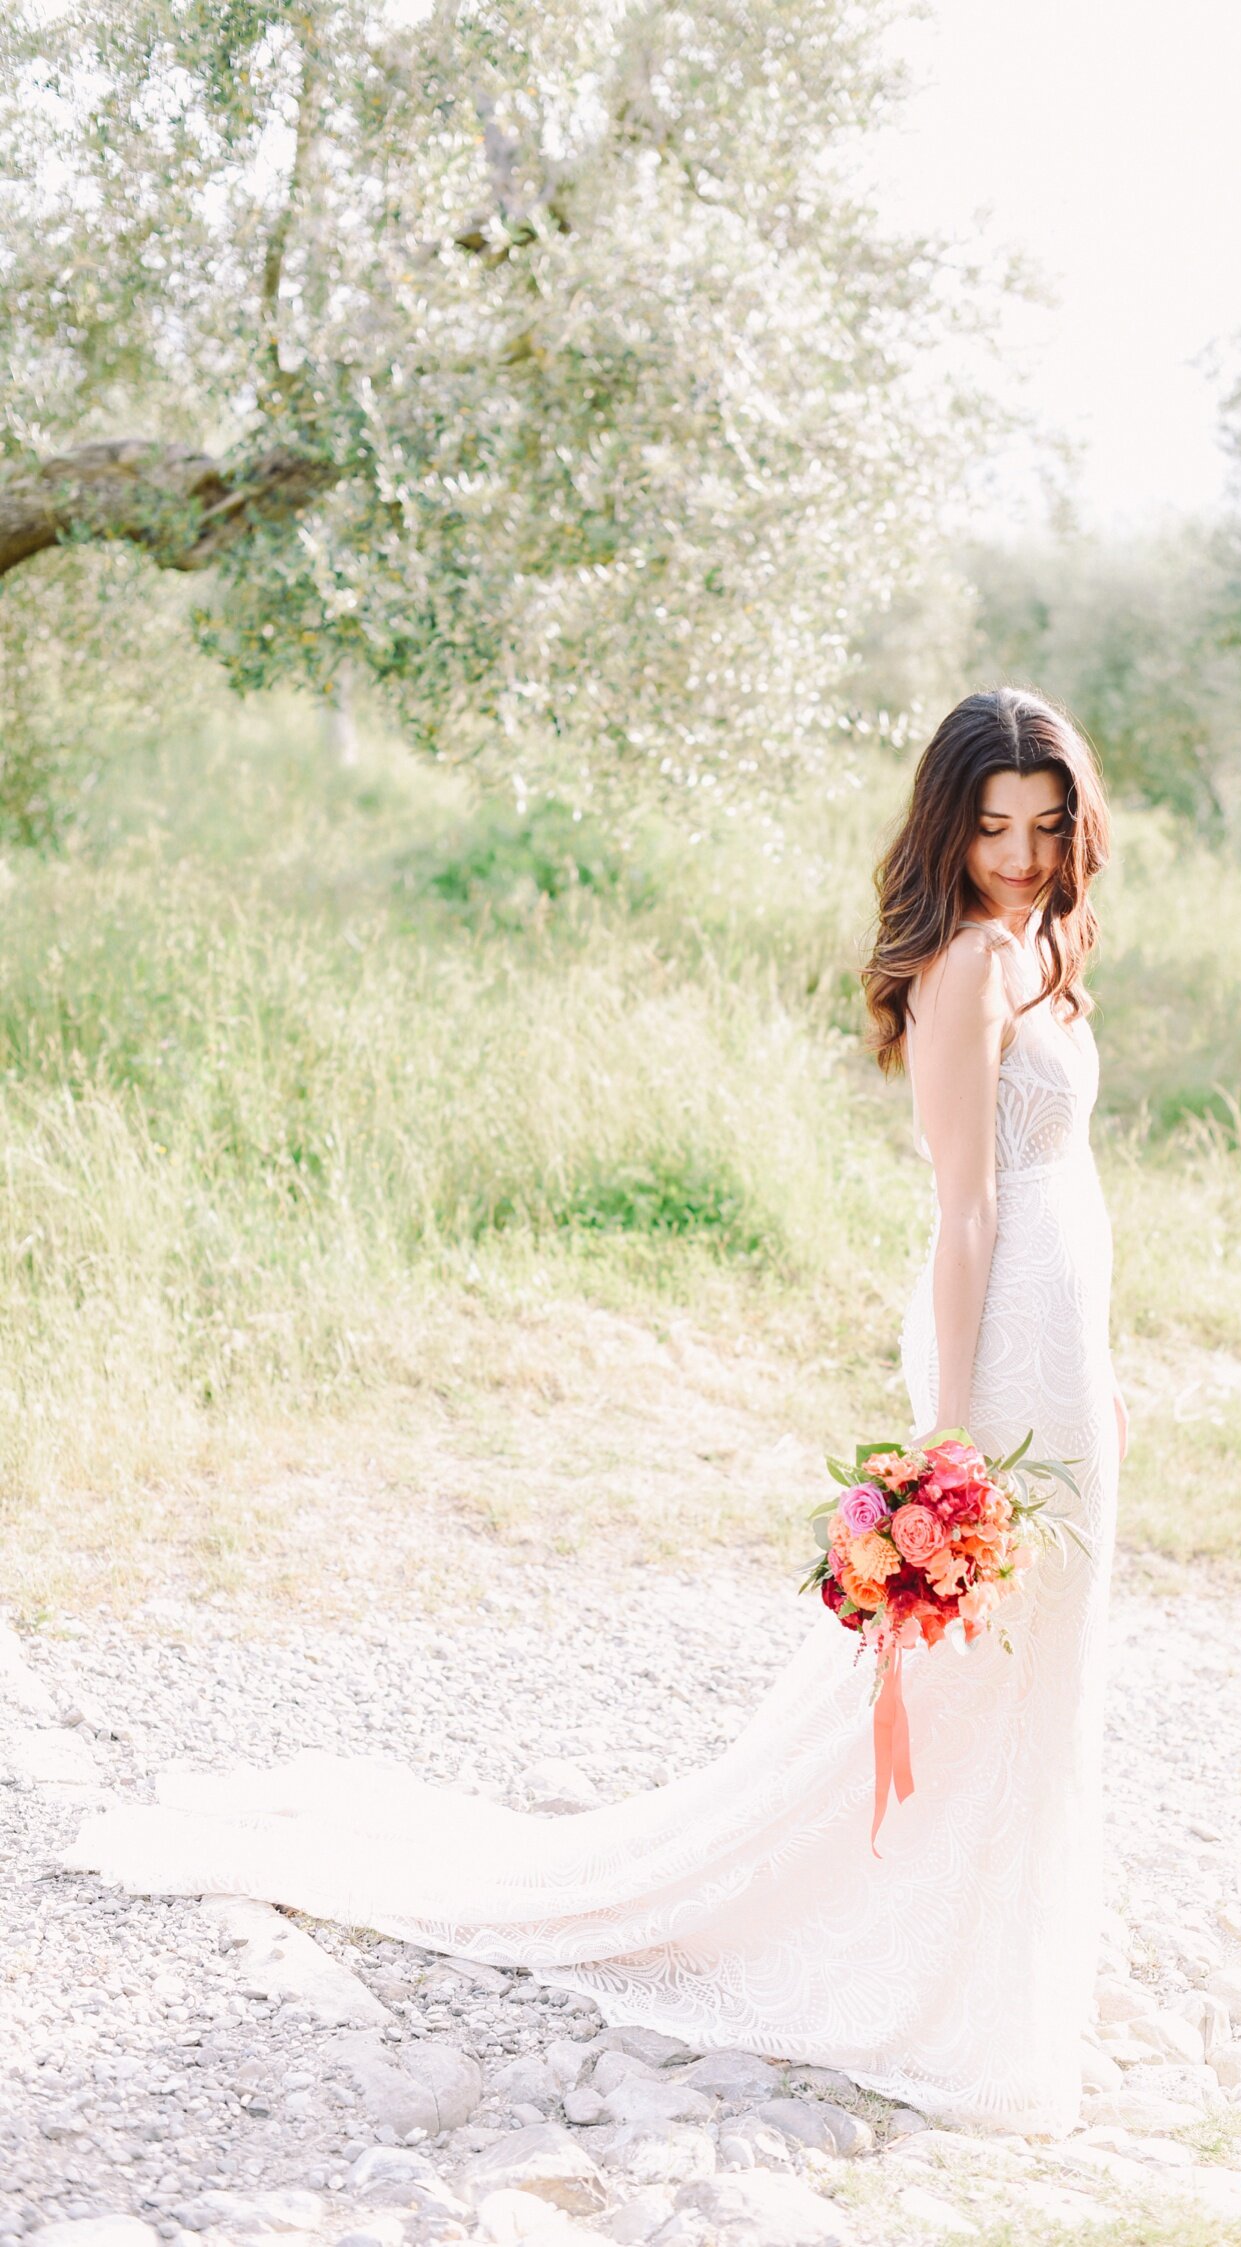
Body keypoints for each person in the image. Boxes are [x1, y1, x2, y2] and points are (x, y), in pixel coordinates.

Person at [65, 685, 1124, 2135]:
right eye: (994, 826)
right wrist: (944, 1436)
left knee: (1042, 1649)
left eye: (1047, 825)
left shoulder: (1047, 941)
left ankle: (991, 1950)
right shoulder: (964, 972)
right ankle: (903, 1956)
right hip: (1001, 1340)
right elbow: (965, 1210)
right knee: (961, 1658)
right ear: (951, 827)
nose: (1020, 852)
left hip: (1070, 1342)